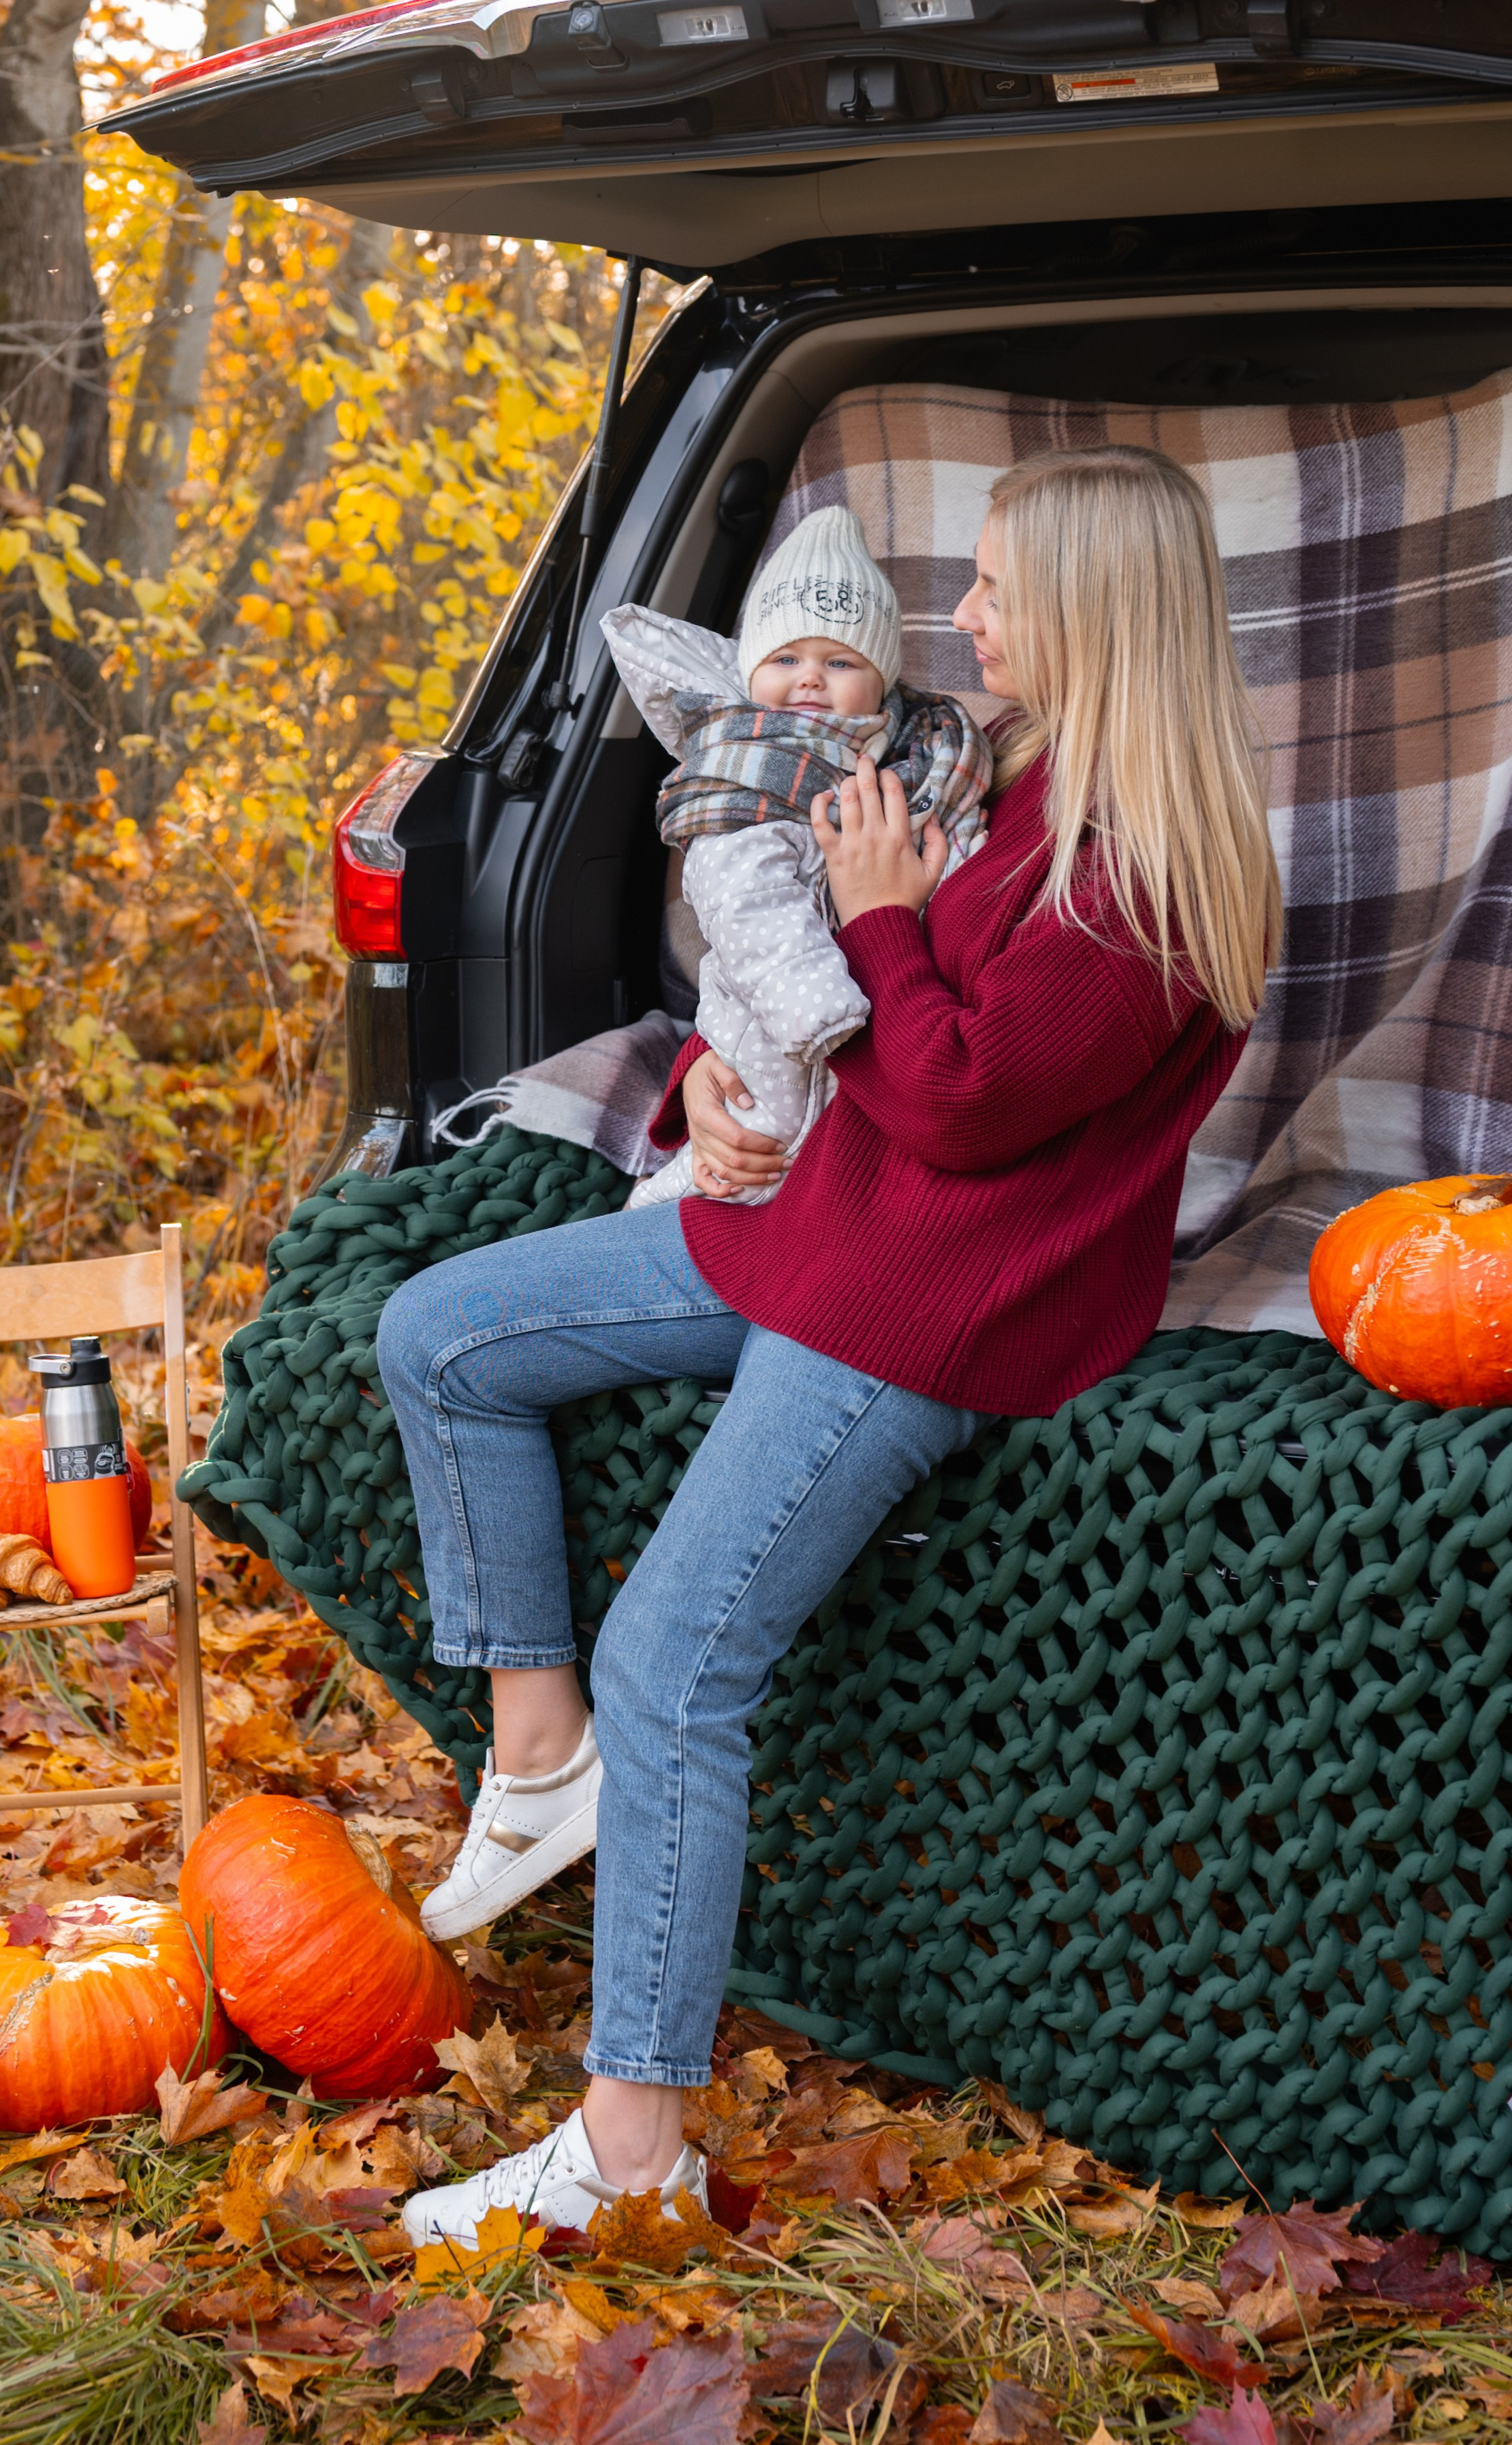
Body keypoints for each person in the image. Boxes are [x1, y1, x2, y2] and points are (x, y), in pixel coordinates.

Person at [377, 441, 1282, 2247]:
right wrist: (725, 1088)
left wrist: (876, 908)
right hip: (821, 1223)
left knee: (679, 1668)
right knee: (442, 1334)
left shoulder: (1152, 872)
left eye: (998, 589)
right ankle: (538, 1754)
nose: (961, 618)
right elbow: (863, 1045)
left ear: (1095, 612)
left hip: (929, 1304)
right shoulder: (1024, 798)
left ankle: (630, 2151)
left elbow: (952, 1093)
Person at [601, 504, 990, 1209]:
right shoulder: (750, 772)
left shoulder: (919, 763)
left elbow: (956, 855)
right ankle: (670, 1204)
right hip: (788, 1019)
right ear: (751, 671)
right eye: (784, 659)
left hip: (889, 1043)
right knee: (756, 1145)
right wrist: (816, 1011)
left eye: (839, 662)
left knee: (821, 1159)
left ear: (883, 681)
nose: (809, 679)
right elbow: (746, 903)